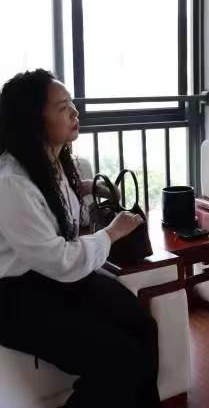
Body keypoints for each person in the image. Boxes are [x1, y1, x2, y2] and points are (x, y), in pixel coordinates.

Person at [0, 70, 160, 408]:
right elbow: (60, 260)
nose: (75, 112)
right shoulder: (11, 183)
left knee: (142, 325)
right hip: (17, 296)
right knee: (120, 358)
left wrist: (87, 189)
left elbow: (63, 221)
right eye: (62, 107)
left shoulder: (51, 162)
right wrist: (112, 232)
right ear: (34, 121)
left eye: (71, 103)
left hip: (56, 281)